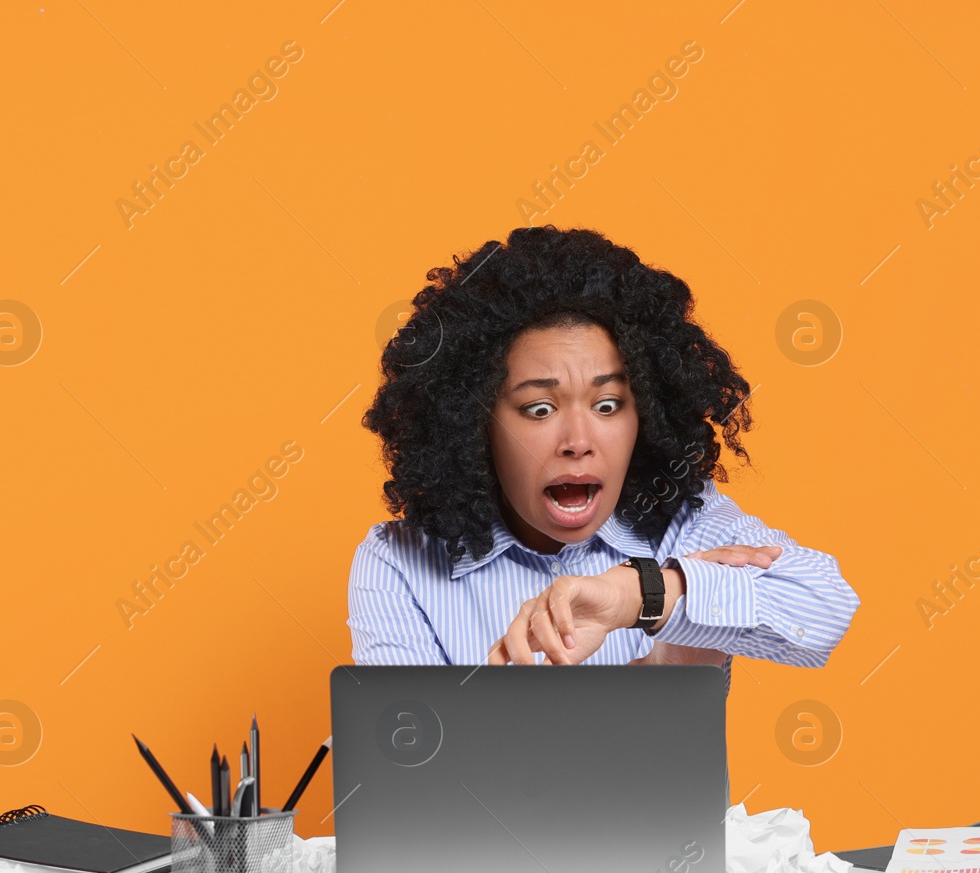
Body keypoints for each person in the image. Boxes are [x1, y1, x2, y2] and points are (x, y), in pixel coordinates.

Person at [347, 225, 858, 684]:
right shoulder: (398, 563)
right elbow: (410, 769)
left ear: (648, 414)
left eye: (608, 404)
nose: (577, 439)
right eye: (539, 408)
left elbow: (825, 605)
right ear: (476, 423)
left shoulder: (684, 525)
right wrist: (652, 676)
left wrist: (642, 595)